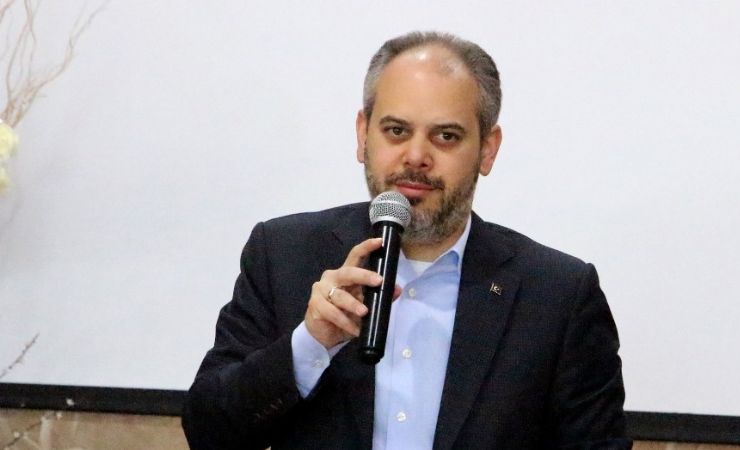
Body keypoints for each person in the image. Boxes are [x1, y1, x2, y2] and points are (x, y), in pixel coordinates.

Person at [183, 31, 631, 450]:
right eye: (396, 131)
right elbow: (208, 431)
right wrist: (310, 344)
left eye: (446, 136)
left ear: (487, 149)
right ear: (363, 134)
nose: (416, 157)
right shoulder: (283, 254)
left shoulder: (556, 294)